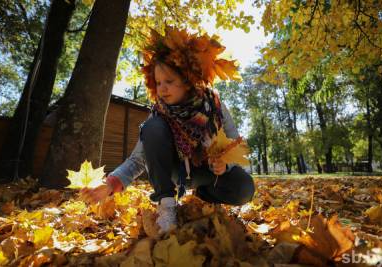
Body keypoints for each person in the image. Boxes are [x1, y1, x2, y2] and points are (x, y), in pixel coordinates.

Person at [81, 26, 255, 234]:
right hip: (175, 172)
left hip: (209, 173)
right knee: (152, 127)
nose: (162, 89)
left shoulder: (215, 106)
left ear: (187, 80)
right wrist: (111, 184)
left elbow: (237, 144)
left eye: (169, 81)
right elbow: (138, 159)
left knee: (244, 188)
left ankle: (204, 196)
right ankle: (167, 205)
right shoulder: (159, 112)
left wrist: (225, 164)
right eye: (158, 82)